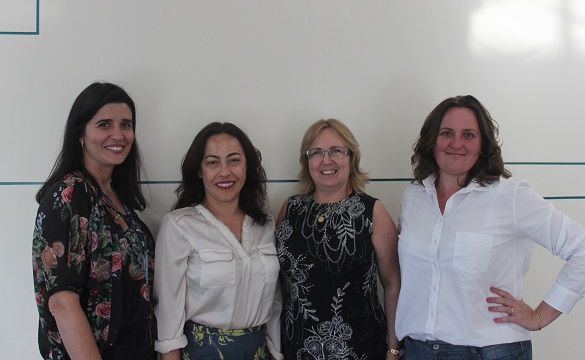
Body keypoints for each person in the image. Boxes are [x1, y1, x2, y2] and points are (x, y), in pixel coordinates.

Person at [396, 95, 585, 359]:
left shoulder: (510, 196)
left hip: (491, 351)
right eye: (446, 133)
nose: (456, 143)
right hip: (418, 350)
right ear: (431, 141)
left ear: (482, 145)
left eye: (468, 135)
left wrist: (539, 316)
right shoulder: (414, 197)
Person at [32, 82, 156, 360]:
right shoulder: (68, 195)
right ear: (80, 133)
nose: (118, 134)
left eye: (126, 125)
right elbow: (62, 303)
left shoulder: (117, 199)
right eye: (104, 124)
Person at [154, 122, 282, 360]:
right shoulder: (179, 225)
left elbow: (275, 304)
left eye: (234, 160)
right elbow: (168, 312)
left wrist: (275, 353)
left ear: (247, 166)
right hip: (202, 353)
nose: (225, 172)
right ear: (199, 170)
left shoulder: (265, 224)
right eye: (213, 162)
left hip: (258, 352)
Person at [275, 118, 402, 359]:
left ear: (351, 158)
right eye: (316, 152)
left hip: (359, 350)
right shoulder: (290, 209)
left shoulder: (371, 211)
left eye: (336, 151)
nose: (326, 160)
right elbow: (276, 284)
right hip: (296, 349)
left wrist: (394, 349)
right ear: (307, 161)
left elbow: (393, 283)